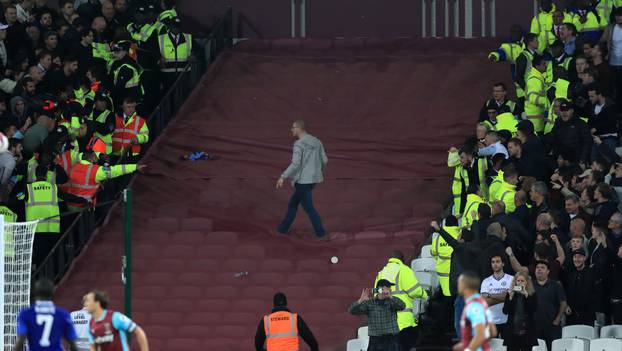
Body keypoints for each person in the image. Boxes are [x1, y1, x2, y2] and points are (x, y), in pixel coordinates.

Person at [276, 120, 328, 240]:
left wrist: (283, 177)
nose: (291, 129)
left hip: (302, 181)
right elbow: (324, 160)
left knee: (308, 208)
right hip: (312, 180)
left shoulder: (299, 144)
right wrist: (318, 172)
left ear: (300, 128)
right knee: (293, 204)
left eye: (293, 127)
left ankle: (322, 234)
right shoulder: (317, 141)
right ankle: (282, 229)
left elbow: (295, 164)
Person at [374, 250, 428, 351]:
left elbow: (376, 294)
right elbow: (415, 291)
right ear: (401, 260)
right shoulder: (404, 270)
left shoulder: (381, 274)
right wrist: (425, 294)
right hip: (403, 322)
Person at [15, 278, 79, 351]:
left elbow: (21, 339)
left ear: (35, 292)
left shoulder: (26, 313)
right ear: (52, 292)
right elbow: (72, 343)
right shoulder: (63, 314)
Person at [84, 289, 149, 351]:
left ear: (97, 303)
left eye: (88, 301)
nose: (85, 304)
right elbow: (93, 347)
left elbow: (139, 331)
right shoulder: (90, 325)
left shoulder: (115, 317)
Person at [349, 280, 405, 351]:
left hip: (391, 338)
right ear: (380, 289)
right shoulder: (370, 303)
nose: (390, 289)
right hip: (375, 340)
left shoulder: (392, 301)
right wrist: (360, 300)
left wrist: (391, 297)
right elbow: (352, 311)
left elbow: (402, 306)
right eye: (388, 287)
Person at [453, 271, 492, 351]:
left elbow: (480, 335)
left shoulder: (474, 306)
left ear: (465, 285)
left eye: (459, 283)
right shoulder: (480, 301)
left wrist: (469, 348)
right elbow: (492, 331)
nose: (457, 285)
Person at [532, 260, 567, 348]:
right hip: (535, 325)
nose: (539, 269)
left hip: (552, 326)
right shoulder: (530, 285)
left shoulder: (556, 285)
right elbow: (516, 292)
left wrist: (558, 319)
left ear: (548, 271)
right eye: (537, 268)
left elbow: (563, 303)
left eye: (542, 268)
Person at [502, 272, 538, 351]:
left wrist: (526, 295)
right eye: (518, 281)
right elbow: (505, 311)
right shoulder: (510, 294)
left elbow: (534, 309)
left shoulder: (532, 294)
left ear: (526, 282)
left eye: (522, 281)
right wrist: (510, 298)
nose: (520, 283)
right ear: (515, 282)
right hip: (513, 330)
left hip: (527, 330)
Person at [481, 255, 513, 337]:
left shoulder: (512, 279)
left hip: (508, 320)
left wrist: (489, 295)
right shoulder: (486, 281)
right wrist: (505, 296)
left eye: (498, 261)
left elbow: (513, 297)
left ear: (503, 264)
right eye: (493, 262)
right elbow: (485, 302)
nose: (495, 264)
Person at [111, 95, 149, 162]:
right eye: (128, 107)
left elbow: (146, 137)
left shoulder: (140, 121)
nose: (131, 109)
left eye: (133, 107)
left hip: (132, 155)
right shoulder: (115, 118)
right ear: (123, 107)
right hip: (115, 154)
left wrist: (138, 139)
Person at [525, 54, 549, 134]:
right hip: (536, 122)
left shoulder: (537, 77)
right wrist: (547, 103)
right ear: (537, 66)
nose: (546, 66)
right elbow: (533, 97)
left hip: (537, 120)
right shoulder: (535, 79)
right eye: (543, 64)